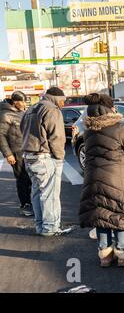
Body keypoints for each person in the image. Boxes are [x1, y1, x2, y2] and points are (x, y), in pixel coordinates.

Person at [79, 93, 124, 268]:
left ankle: (105, 256)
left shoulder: (88, 131)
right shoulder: (119, 128)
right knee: (120, 215)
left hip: (94, 179)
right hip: (117, 179)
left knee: (102, 215)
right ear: (110, 109)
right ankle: (123, 254)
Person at [21, 87, 68, 236]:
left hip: (29, 156)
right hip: (44, 157)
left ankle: (40, 226)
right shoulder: (52, 109)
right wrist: (59, 157)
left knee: (36, 192)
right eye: (63, 101)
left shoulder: (31, 108)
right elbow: (57, 137)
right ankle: (51, 228)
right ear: (56, 98)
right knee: (50, 194)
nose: (63, 104)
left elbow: (22, 128)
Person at [0, 92, 33, 217]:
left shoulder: (20, 112)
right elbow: (1, 136)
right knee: (22, 178)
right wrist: (8, 154)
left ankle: (30, 202)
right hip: (16, 151)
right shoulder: (5, 114)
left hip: (26, 149)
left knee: (30, 178)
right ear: (15, 101)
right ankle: (25, 204)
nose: (24, 105)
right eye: (22, 102)